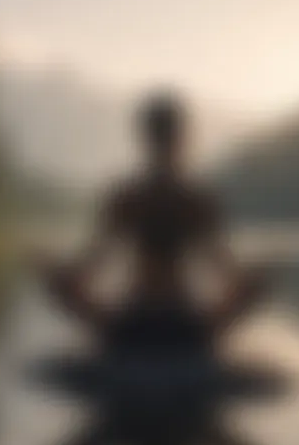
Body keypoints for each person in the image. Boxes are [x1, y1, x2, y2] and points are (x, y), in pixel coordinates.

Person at [39, 89, 269, 353]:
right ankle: (201, 344)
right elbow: (227, 272)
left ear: (144, 139)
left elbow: (88, 268)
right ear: (182, 140)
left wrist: (53, 272)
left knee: (58, 281)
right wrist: (257, 278)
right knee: (257, 284)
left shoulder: (125, 199)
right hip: (185, 324)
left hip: (132, 322)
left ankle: (111, 341)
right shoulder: (196, 202)